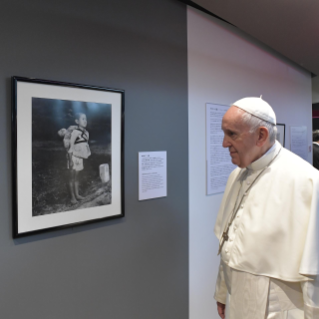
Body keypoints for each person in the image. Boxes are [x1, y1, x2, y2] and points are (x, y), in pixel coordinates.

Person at [214, 97, 319, 319]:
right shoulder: (236, 176)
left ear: (261, 135)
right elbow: (228, 243)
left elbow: (314, 271)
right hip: (237, 299)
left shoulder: (307, 181)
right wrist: (223, 292)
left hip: (278, 309)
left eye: (232, 134)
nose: (224, 143)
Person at [67, 113, 91, 204]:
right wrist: (70, 161)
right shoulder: (75, 132)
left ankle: (77, 195)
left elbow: (84, 145)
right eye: (83, 119)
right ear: (77, 121)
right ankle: (72, 198)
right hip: (73, 158)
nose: (85, 121)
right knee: (71, 178)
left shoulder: (86, 133)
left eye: (86, 119)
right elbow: (70, 147)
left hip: (80, 158)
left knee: (77, 177)